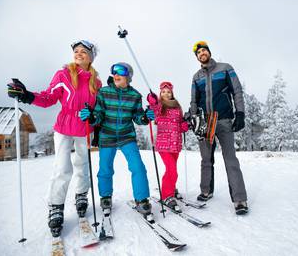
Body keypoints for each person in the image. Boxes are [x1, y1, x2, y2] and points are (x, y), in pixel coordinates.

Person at [7, 40, 102, 236]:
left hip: (84, 129)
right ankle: (56, 205)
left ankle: (81, 195)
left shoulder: (96, 82)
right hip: (65, 128)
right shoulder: (64, 75)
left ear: (91, 57)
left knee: (83, 165)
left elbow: (98, 108)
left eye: (84, 51)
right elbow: (49, 97)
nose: (79, 54)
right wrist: (27, 96)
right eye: (76, 51)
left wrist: (94, 118)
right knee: (62, 168)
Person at [79, 62, 155, 220]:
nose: (116, 74)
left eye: (121, 71)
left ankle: (142, 199)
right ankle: (105, 197)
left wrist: (145, 117)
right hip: (107, 136)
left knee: (138, 167)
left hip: (127, 136)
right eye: (114, 71)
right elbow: (98, 115)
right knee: (105, 168)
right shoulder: (103, 93)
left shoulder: (135, 96)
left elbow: (138, 117)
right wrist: (92, 116)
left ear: (129, 76)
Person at [189, 41, 248, 215]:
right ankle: (206, 190)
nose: (201, 53)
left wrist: (240, 113)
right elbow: (194, 100)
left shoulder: (225, 69)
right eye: (198, 53)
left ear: (209, 52)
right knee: (206, 159)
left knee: (230, 159)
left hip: (223, 120)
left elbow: (237, 91)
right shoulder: (196, 77)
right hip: (205, 122)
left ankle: (240, 199)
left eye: (203, 50)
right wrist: (193, 118)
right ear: (197, 57)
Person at [146, 81, 189, 211]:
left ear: (172, 93)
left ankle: (171, 188)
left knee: (172, 169)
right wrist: (151, 100)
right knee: (172, 170)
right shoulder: (160, 106)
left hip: (175, 143)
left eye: (168, 91)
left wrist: (183, 126)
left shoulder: (177, 107)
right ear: (160, 93)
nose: (166, 93)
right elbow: (153, 107)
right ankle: (167, 195)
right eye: (163, 91)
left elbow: (180, 122)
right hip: (163, 144)